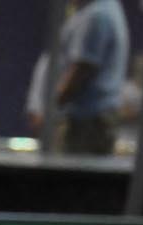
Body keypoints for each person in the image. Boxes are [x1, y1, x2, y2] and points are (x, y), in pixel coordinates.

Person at [52, 0, 130, 155]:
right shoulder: (105, 9)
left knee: (75, 176)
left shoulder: (97, 15)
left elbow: (83, 68)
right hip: (93, 120)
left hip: (87, 122)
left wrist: (54, 102)